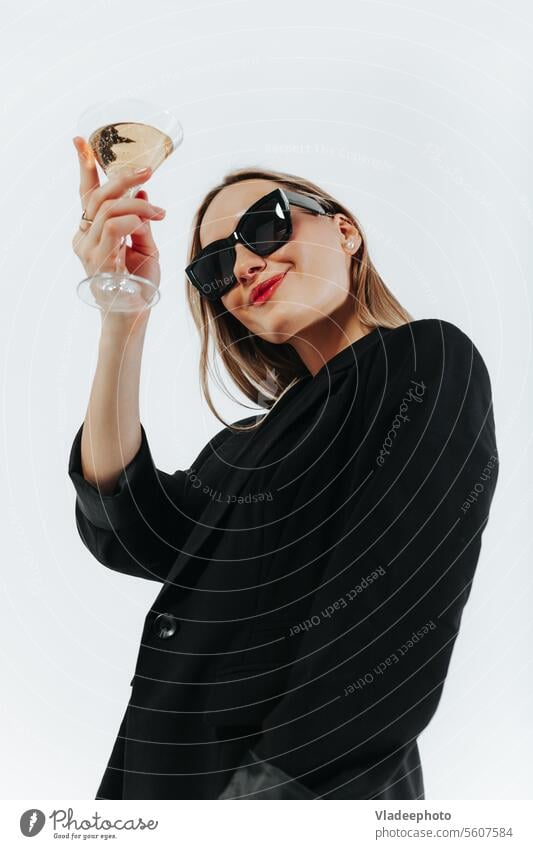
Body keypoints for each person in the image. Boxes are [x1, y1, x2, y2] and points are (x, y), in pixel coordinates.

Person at [68, 137, 499, 799]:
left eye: (264, 226)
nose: (241, 265)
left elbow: (399, 601)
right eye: (213, 266)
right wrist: (120, 314)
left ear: (344, 231)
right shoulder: (239, 450)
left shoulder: (424, 361)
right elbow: (129, 531)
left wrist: (270, 796)